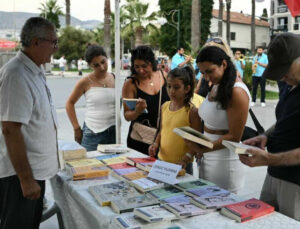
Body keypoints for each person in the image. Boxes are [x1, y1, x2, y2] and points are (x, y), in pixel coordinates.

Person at [0, 17, 59, 229]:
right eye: (53, 42)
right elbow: (10, 130)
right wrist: (25, 179)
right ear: (36, 42)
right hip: (20, 177)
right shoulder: (16, 74)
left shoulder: (35, 70)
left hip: (34, 173)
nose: (55, 47)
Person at [239, 33, 300, 220]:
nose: (282, 77)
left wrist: (269, 159)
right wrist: (265, 135)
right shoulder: (292, 84)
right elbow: (287, 119)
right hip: (274, 175)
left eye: (284, 69)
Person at [185, 46, 251, 193]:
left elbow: (234, 136)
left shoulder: (236, 91)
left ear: (224, 64)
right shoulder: (216, 85)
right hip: (208, 155)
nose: (207, 77)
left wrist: (203, 147)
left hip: (225, 160)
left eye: (210, 71)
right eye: (202, 73)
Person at [148, 67, 202, 175]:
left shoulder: (192, 111)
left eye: (176, 87)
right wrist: (155, 144)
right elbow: (162, 130)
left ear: (186, 89)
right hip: (161, 161)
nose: (172, 91)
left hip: (182, 165)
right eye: (169, 86)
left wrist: (186, 158)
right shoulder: (164, 106)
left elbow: (197, 141)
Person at [66, 45, 116, 151]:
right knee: (89, 166)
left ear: (107, 59)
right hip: (92, 134)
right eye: (96, 65)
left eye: (103, 62)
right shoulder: (85, 82)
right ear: (90, 65)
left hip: (113, 133)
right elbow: (70, 103)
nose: (102, 67)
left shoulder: (115, 78)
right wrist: (76, 128)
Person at [122, 46, 169, 155]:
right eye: (137, 66)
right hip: (140, 138)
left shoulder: (164, 76)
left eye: (144, 66)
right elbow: (127, 115)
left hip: (164, 136)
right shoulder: (130, 83)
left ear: (152, 63)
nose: (140, 70)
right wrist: (137, 111)